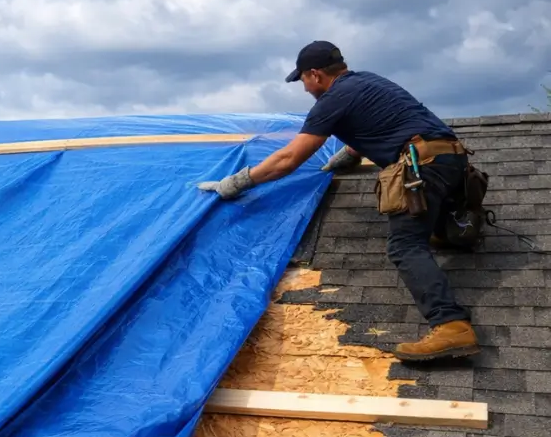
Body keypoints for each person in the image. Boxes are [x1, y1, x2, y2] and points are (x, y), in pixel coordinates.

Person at [197, 40, 478, 362]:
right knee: (435, 226)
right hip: (453, 160)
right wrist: (348, 154)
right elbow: (385, 124)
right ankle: (450, 232)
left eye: (302, 79)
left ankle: (451, 326)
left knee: (405, 246)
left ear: (315, 74)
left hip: (421, 167)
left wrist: (237, 182)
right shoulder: (369, 82)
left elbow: (287, 159)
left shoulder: (333, 99)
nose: (304, 88)